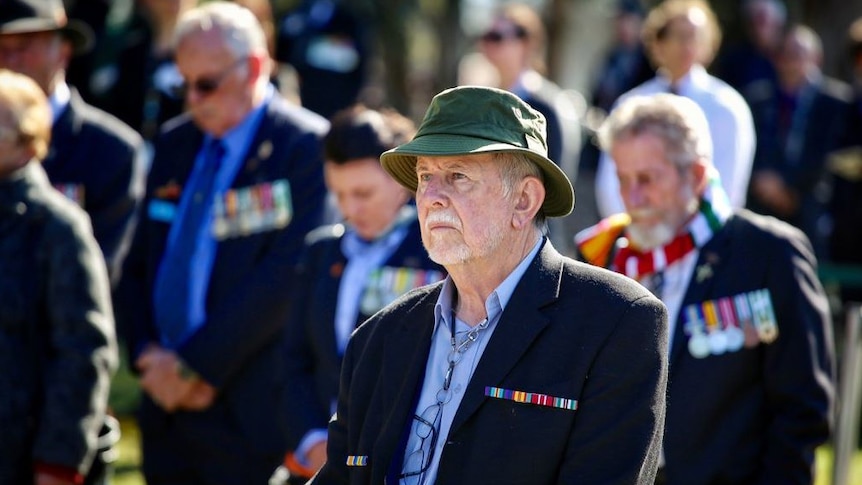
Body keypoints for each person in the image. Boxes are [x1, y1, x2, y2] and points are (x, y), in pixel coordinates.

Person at [308, 85, 669, 484]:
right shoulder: (379, 337)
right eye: (426, 175)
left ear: (524, 200)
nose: (432, 197)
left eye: (458, 176)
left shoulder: (616, 321)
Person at [114, 2, 329, 483]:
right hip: (166, 406)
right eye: (180, 82)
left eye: (206, 84)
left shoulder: (305, 146)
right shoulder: (174, 142)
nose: (191, 97)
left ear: (254, 67)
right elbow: (141, 262)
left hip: (247, 407)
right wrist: (148, 355)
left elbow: (288, 274)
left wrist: (195, 366)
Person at [576, 93, 835, 484]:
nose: (632, 198)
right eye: (623, 178)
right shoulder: (605, 256)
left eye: (647, 178)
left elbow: (802, 410)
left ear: (696, 176)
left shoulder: (767, 254)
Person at [280, 104, 446, 481]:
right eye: (337, 195)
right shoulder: (320, 252)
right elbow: (295, 360)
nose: (349, 209)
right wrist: (311, 440)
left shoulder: (437, 255)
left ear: (404, 180)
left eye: (363, 193)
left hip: (404, 458)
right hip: (321, 460)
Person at [0, 68, 118, 485]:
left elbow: (84, 351)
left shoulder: (56, 227)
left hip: (23, 457)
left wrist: (58, 462)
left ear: (26, 139)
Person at [0, 0, 148, 287]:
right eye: (1, 48)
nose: (10, 60)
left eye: (25, 45)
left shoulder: (112, 151)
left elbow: (100, 272)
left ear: (64, 50)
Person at [595, 0, 755, 218]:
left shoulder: (727, 106)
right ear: (658, 43)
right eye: (680, 36)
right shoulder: (631, 103)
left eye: (696, 37)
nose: (688, 45)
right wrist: (636, 231)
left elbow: (729, 188)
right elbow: (610, 182)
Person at [477, 3, 582, 256]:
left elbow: (557, 175)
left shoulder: (546, 103)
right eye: (486, 37)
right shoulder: (484, 100)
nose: (489, 45)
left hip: (534, 235)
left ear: (525, 44)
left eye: (498, 37)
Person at [745, 25, 853, 260]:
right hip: (762, 206)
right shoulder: (757, 98)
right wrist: (764, 182)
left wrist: (791, 188)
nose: (792, 59)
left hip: (814, 212)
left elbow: (834, 156)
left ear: (817, 58)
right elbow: (749, 146)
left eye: (799, 52)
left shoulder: (839, 103)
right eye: (786, 52)